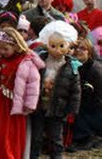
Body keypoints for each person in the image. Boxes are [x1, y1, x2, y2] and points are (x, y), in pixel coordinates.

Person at [0, 28, 45, 159]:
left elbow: (33, 84)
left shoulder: (26, 61)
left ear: (16, 46)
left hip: (13, 104)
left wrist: (29, 104)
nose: (1, 52)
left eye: (5, 48)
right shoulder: (0, 59)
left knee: (10, 133)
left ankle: (10, 155)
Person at [31, 21, 81, 159]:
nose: (57, 50)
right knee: (36, 137)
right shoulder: (40, 61)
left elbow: (76, 91)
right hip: (39, 105)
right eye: (53, 46)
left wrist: (72, 110)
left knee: (56, 138)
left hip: (58, 108)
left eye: (61, 46)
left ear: (69, 45)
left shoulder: (71, 67)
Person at [70, 38, 102, 151]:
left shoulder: (94, 69)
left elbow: (97, 97)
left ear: (89, 51)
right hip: (83, 102)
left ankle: (86, 137)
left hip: (94, 108)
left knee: (78, 108)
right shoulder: (74, 65)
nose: (78, 51)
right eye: (76, 48)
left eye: (83, 48)